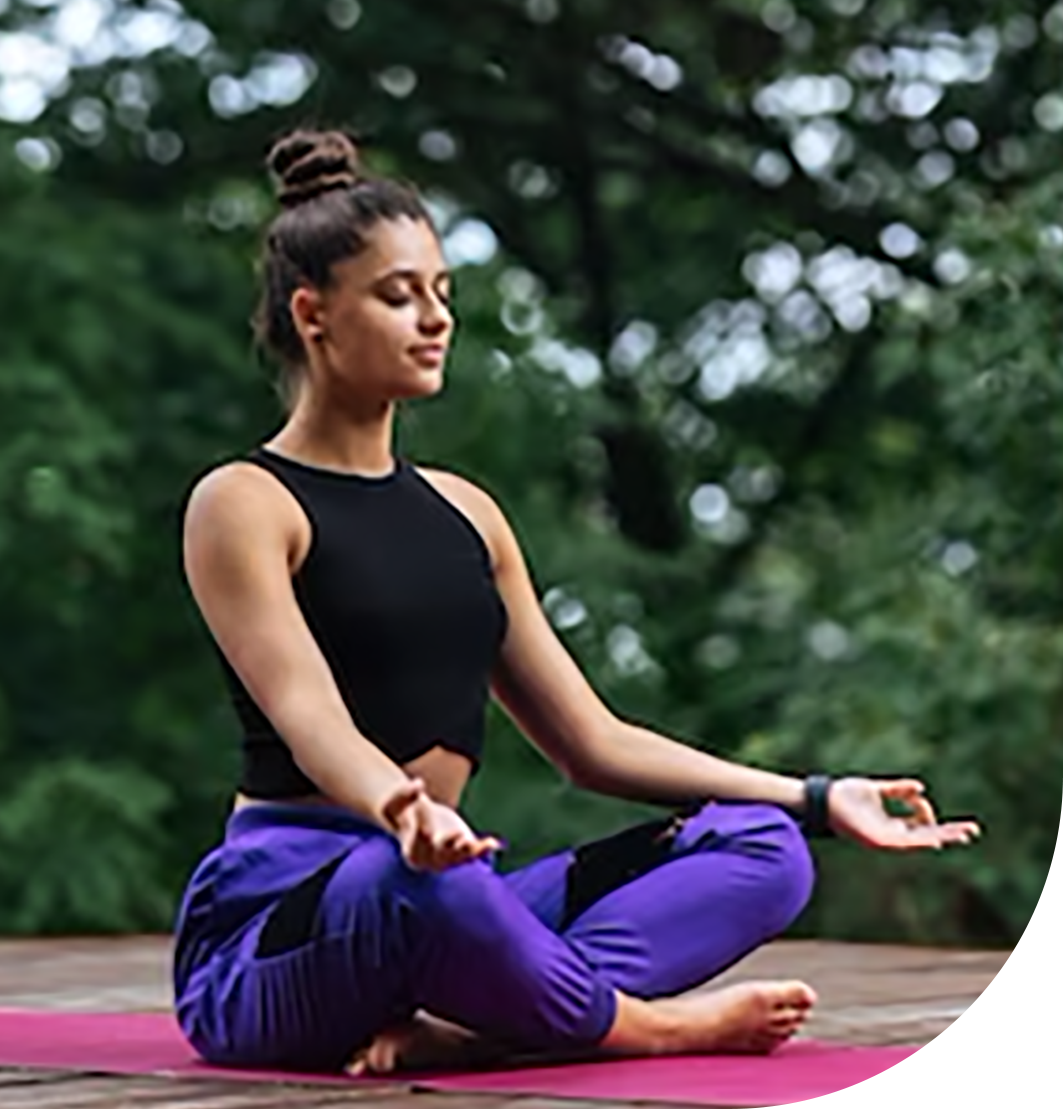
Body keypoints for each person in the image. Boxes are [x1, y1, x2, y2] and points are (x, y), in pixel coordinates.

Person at [173, 128, 980, 1075]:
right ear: (314, 315)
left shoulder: (467, 513)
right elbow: (307, 713)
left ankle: (485, 1029)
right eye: (399, 296)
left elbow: (591, 742)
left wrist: (814, 797)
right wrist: (401, 807)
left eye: (442, 293)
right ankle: (646, 1026)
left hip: (451, 888)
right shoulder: (244, 501)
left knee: (761, 848)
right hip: (281, 931)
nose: (434, 319)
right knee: (424, 886)